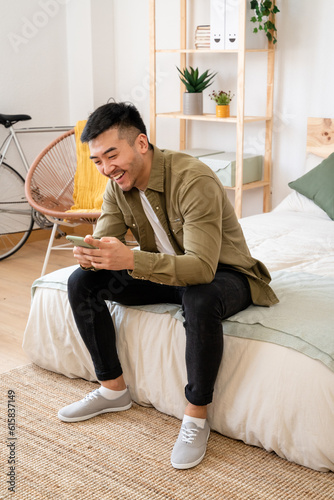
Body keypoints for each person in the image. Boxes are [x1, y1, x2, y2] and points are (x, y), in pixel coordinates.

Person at [58, 101, 278, 470]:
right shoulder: (116, 186)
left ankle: (195, 417)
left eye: (112, 155)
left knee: (201, 297)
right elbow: (105, 241)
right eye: (97, 160)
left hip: (225, 274)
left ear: (141, 144)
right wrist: (92, 256)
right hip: (164, 273)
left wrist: (130, 260)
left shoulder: (194, 179)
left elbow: (202, 269)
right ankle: (113, 389)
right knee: (83, 282)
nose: (106, 168)